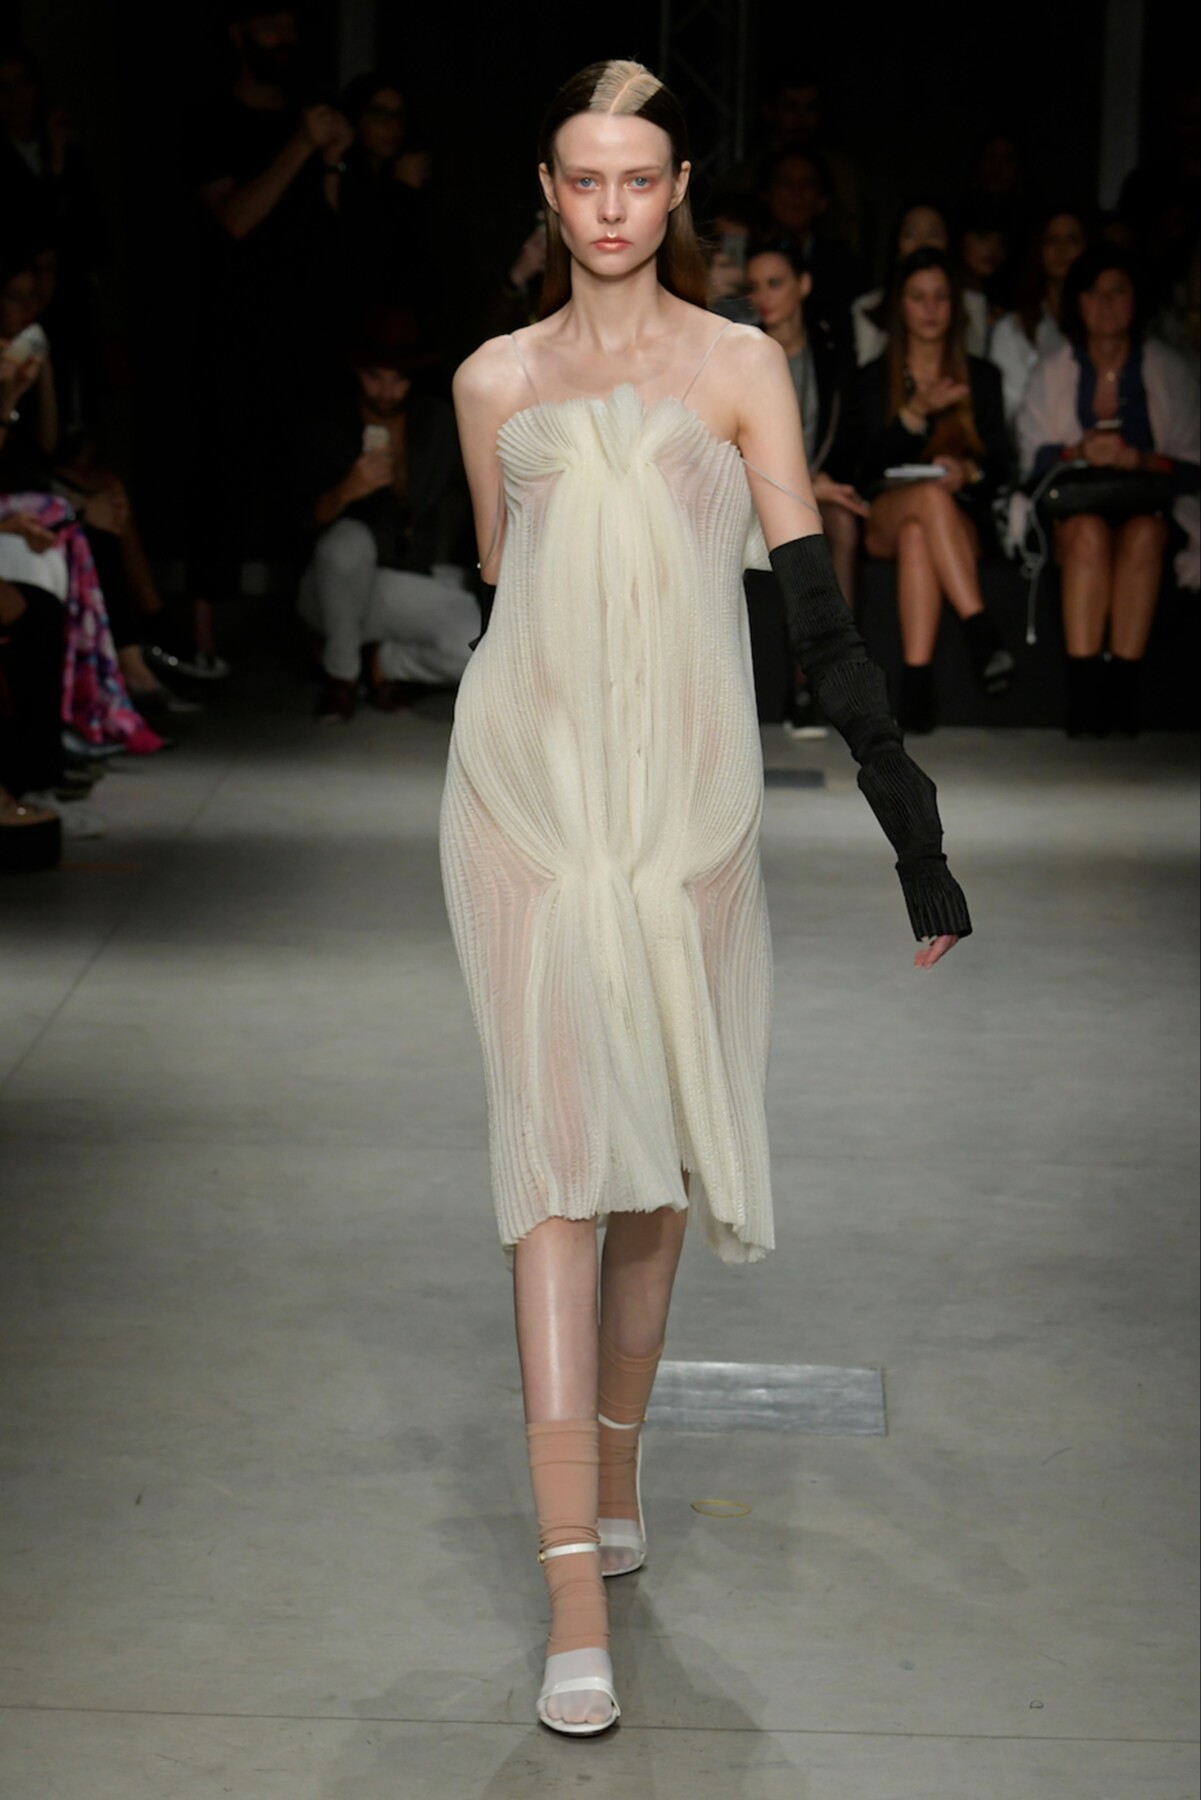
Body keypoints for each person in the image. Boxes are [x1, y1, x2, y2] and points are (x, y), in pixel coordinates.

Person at [442, 59, 971, 1740]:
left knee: (656, 1170)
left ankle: (613, 1469)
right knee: (553, 1163)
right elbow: (507, 590)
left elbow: (813, 615)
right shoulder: (488, 380)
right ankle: (571, 1595)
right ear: (548, 191)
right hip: (527, 799)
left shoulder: (743, 366)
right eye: (583, 178)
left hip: (688, 807)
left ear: (676, 194)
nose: (609, 207)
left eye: (639, 179)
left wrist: (909, 824)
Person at [182, 3, 351, 676]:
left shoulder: (303, 118)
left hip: (302, 332)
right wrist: (302, 148)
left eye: (290, 24)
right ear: (238, 31)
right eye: (270, 23)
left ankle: (319, 632)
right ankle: (202, 636)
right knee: (220, 478)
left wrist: (331, 162)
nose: (284, 37)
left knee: (307, 478)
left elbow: (329, 238)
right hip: (231, 330)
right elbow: (235, 217)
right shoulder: (213, 120)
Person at [1017, 244, 1201, 735]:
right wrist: (1079, 452)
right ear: (1078, 303)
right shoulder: (1055, 370)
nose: (1105, 304)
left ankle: (1121, 695)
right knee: (1087, 533)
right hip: (1073, 510)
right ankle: (1084, 696)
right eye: (1093, 293)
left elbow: (1194, 466)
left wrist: (1140, 460)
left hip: (1154, 510)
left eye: (1117, 291)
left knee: (1144, 535)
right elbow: (1030, 463)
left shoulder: (1168, 369)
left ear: (1136, 299)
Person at [858, 248, 1014, 732]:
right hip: (883, 511)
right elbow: (859, 467)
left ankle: (917, 687)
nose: (930, 309)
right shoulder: (872, 378)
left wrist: (967, 473)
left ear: (956, 306)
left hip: (958, 522)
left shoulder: (982, 378)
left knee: (918, 535)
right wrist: (915, 415)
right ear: (900, 306)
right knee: (924, 501)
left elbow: (1003, 467)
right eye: (918, 297)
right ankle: (979, 629)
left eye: (941, 297)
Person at [295, 308, 477, 721]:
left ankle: (383, 661)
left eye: (398, 379)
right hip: (330, 587)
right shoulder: (329, 424)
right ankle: (341, 675)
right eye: (375, 377)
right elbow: (299, 520)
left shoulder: (435, 424)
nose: (386, 391)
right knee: (347, 542)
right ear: (357, 372)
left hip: (400, 585)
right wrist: (347, 490)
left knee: (481, 644)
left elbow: (475, 488)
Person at [744, 236, 865, 597]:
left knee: (840, 521)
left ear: (804, 284)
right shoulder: (739, 355)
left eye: (775, 283)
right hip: (753, 493)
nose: (763, 297)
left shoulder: (832, 354)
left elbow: (849, 433)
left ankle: (840, 636)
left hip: (818, 487)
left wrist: (821, 480)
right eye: (754, 286)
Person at [334, 70, 434, 320]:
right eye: (379, 114)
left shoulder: (403, 168)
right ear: (357, 118)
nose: (391, 126)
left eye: (398, 116)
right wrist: (402, 191)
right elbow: (365, 261)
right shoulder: (340, 172)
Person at [758, 148, 865, 353]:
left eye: (807, 184)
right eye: (785, 183)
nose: (796, 193)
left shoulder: (845, 265)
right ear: (765, 194)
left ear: (822, 200)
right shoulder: (744, 256)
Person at [989, 209, 1088, 426]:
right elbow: (1009, 409)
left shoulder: (1104, 325)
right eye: (1053, 240)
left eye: (1072, 240)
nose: (1062, 249)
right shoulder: (1011, 329)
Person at [851, 201, 949, 368]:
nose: (922, 244)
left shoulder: (968, 308)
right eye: (911, 234)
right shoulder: (866, 308)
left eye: (933, 234)